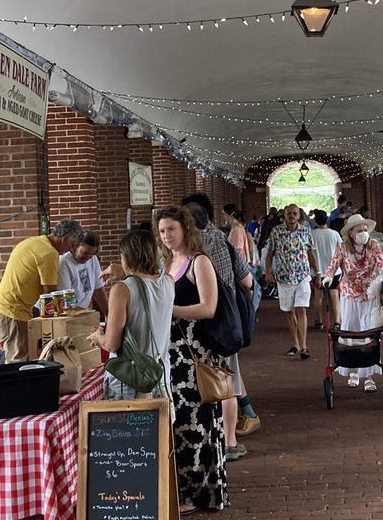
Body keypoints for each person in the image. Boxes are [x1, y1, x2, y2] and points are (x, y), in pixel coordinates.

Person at [156, 205, 227, 513]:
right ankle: (182, 489)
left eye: (171, 229)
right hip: (171, 356)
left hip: (195, 355)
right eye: (162, 231)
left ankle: (199, 492)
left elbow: (209, 307)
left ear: (185, 228)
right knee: (179, 423)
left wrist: (170, 310)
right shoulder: (166, 263)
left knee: (196, 423)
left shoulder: (200, 262)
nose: (166, 235)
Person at [181, 194, 257, 460]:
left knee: (220, 383)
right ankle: (231, 437)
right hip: (226, 323)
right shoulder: (223, 240)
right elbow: (247, 280)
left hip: (202, 324)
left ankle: (226, 440)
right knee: (226, 379)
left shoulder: (193, 252)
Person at [89, 229, 174, 402]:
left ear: (127, 257)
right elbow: (148, 279)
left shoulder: (122, 289)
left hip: (129, 381)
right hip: (159, 376)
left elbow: (112, 344)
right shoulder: (168, 282)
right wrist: (125, 271)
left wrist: (98, 337)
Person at [0, 219, 84, 361]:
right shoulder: (49, 253)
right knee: (19, 362)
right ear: (64, 239)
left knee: (20, 359)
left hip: (3, 309)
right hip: (13, 313)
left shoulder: (34, 242)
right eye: (71, 245)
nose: (70, 250)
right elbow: (50, 295)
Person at [322, 215, 383, 392]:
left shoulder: (373, 245)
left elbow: (381, 264)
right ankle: (352, 372)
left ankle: (369, 376)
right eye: (360, 231)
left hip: (370, 294)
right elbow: (333, 265)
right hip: (349, 295)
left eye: (365, 230)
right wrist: (328, 277)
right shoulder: (343, 247)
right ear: (351, 233)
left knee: (369, 332)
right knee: (351, 331)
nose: (364, 233)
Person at [264, 203, 318, 358]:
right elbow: (270, 253)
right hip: (284, 277)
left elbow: (311, 253)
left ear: (299, 215)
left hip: (302, 275)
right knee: (289, 310)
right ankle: (295, 343)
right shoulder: (276, 231)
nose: (292, 216)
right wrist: (268, 272)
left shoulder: (305, 231)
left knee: (302, 309)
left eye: (295, 213)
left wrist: (318, 273)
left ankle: (304, 347)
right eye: (289, 213)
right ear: (284, 215)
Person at [58, 230, 109, 318]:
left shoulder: (93, 259)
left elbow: (99, 290)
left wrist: (109, 314)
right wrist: (86, 313)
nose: (88, 257)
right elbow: (64, 302)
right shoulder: (64, 262)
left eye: (91, 254)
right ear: (75, 246)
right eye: (85, 253)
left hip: (79, 311)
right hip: (61, 312)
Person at [310, 209, 343, 328]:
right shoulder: (334, 234)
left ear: (315, 220)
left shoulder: (311, 234)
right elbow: (341, 250)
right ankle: (337, 322)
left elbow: (309, 253)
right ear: (327, 220)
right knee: (334, 296)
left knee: (318, 296)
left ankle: (319, 321)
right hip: (334, 271)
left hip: (317, 271)